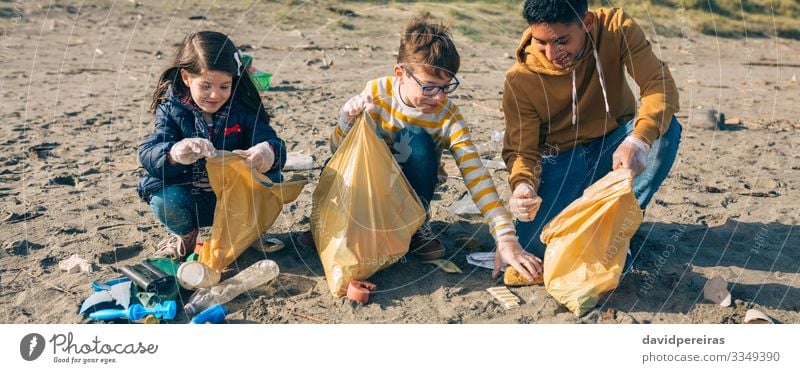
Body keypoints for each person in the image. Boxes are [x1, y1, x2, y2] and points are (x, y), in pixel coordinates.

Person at [331, 16, 542, 280]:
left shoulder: (447, 115)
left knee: (417, 137)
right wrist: (347, 121)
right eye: (429, 87)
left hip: (410, 191)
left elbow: (475, 172)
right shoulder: (375, 92)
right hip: (369, 188)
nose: (439, 97)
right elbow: (339, 152)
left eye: (446, 87)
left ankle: (415, 225)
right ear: (400, 73)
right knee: (372, 131)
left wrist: (506, 236)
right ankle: (345, 220)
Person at [503, 0, 682, 271]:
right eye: (541, 43)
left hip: (616, 146)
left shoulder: (615, 28)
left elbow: (659, 85)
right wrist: (522, 185)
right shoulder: (520, 80)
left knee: (664, 128)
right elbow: (522, 151)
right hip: (561, 160)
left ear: (586, 23)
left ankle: (620, 225)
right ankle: (596, 225)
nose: (552, 53)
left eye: (562, 41)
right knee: (534, 249)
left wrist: (639, 139)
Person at [137, 31, 286, 259]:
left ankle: (248, 232)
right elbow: (149, 153)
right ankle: (186, 235)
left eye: (224, 86)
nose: (215, 95)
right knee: (162, 198)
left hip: (236, 199)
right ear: (187, 78)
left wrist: (267, 152)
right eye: (206, 86)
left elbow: (274, 144)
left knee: (273, 180)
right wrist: (174, 153)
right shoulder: (171, 109)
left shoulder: (243, 108)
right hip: (193, 198)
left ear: (233, 80)